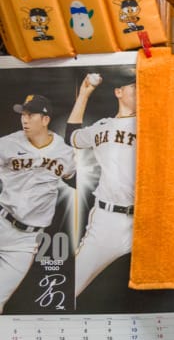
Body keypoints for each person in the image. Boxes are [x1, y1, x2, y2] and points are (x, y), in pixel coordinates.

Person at [0, 94, 76, 312]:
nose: (24, 119)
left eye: (30, 114)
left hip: (26, 241)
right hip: (2, 219)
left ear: (45, 119)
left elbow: (72, 176)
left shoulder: (64, 153)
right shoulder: (7, 144)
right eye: (23, 114)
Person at [67, 71, 137, 297]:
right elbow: (72, 136)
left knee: (172, 290)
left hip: (147, 222)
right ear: (119, 92)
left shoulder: (153, 124)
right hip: (109, 220)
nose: (140, 90)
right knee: (68, 289)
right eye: (134, 86)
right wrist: (85, 94)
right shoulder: (102, 126)